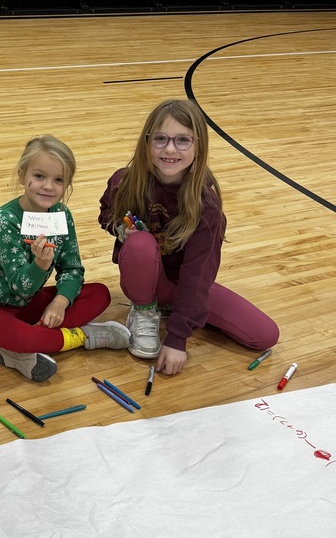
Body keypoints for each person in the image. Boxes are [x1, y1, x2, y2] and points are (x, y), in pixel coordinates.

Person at [99, 98, 278, 376]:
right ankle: (145, 309)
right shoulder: (125, 180)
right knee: (140, 243)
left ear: (198, 146)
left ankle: (171, 306)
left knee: (264, 335)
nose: (170, 149)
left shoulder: (206, 206)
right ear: (147, 142)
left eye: (183, 140)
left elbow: (198, 275)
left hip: (183, 286)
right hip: (145, 276)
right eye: (160, 139)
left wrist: (177, 338)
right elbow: (106, 214)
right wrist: (121, 230)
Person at [0, 135, 131, 382]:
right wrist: (40, 264)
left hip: (30, 304)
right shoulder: (4, 221)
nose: (49, 187)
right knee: (24, 338)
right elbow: (20, 288)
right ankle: (82, 337)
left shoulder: (61, 214)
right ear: (22, 176)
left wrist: (60, 302)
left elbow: (72, 269)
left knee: (100, 294)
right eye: (39, 176)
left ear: (67, 184)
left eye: (59, 180)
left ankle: (20, 349)